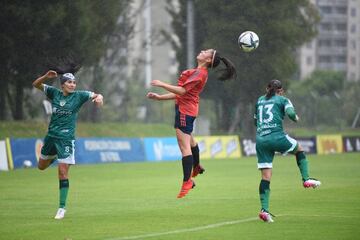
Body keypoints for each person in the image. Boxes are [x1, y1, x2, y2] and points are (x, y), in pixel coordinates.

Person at [147, 49, 236, 198]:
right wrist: (159, 98)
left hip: (184, 112)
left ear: (208, 60)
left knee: (184, 147)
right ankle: (196, 166)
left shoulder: (199, 73)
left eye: (206, 52)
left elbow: (181, 91)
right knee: (190, 140)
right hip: (189, 110)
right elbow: (182, 93)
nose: (202, 51)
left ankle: (187, 181)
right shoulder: (199, 72)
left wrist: (162, 84)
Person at [32, 59, 103, 220]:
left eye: (74, 82)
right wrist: (45, 76)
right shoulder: (54, 93)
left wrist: (99, 98)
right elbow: (36, 84)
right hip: (51, 137)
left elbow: (96, 94)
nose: (73, 85)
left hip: (66, 139)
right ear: (62, 84)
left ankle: (62, 208)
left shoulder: (79, 96)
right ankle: (56, 156)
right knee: (41, 166)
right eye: (69, 82)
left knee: (62, 172)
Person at [254, 79, 321, 223]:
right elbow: (291, 114)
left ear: (267, 88)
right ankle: (306, 179)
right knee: (299, 150)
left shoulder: (259, 100)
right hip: (276, 136)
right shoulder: (283, 100)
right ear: (281, 91)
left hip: (260, 140)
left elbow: (255, 121)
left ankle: (264, 210)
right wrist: (296, 118)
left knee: (266, 176)